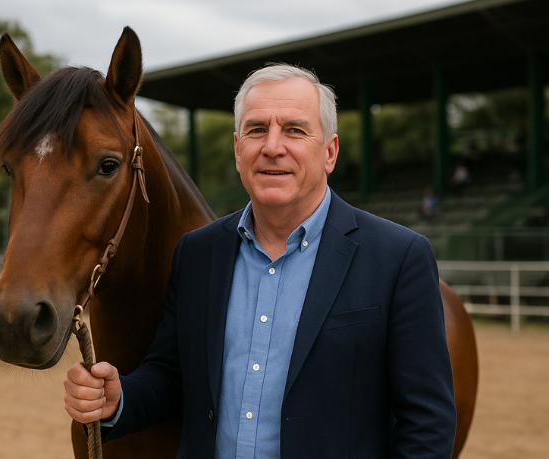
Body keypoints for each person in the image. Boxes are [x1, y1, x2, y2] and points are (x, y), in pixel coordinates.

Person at [64, 64, 456, 458]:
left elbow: (427, 422)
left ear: (330, 152)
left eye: (294, 130)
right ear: (238, 150)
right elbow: (172, 376)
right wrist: (118, 400)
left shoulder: (399, 257)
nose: (272, 146)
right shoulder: (197, 253)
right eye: (256, 130)